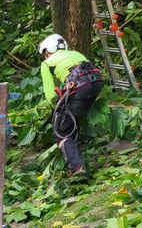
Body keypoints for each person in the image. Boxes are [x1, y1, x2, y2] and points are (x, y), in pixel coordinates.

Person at [38, 33, 103, 178]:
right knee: (72, 118)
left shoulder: (46, 64)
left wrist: (54, 107)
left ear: (48, 50)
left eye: (45, 54)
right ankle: (78, 151)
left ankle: (77, 168)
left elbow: (50, 95)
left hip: (79, 86)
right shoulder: (75, 53)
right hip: (96, 82)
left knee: (61, 131)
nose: (45, 57)